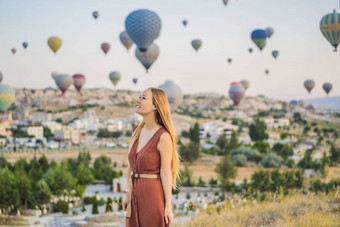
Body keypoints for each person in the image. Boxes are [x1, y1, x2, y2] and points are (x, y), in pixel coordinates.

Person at [123, 87, 181, 227]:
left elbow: (166, 174)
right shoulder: (136, 131)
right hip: (134, 195)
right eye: (139, 97)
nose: (138, 100)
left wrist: (168, 207)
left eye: (143, 98)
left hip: (152, 196)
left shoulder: (163, 137)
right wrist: (128, 194)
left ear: (155, 105)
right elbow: (131, 167)